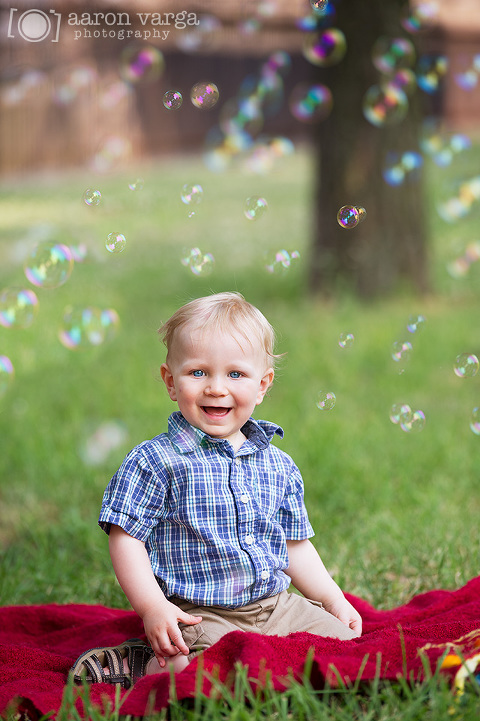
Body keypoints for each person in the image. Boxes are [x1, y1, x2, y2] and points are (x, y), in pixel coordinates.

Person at [71, 292, 361, 688]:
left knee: (345, 648)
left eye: (235, 375)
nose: (216, 388)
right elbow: (127, 538)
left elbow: (294, 546)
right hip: (199, 613)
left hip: (275, 607)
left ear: (263, 385)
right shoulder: (157, 461)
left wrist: (332, 599)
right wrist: (153, 607)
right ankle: (145, 661)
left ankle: (262, 648)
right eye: (198, 372)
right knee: (203, 675)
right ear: (171, 382)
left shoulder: (279, 466)